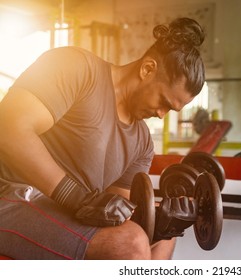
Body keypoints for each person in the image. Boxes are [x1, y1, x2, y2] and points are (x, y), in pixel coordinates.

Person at [0, 17, 205, 260]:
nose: (161, 115)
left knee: (162, 242)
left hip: (61, 214)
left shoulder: (142, 143)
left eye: (170, 110)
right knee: (129, 245)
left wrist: (159, 226)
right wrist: (75, 197)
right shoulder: (76, 67)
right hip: (10, 196)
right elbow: (10, 128)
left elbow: (115, 211)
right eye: (163, 102)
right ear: (147, 69)